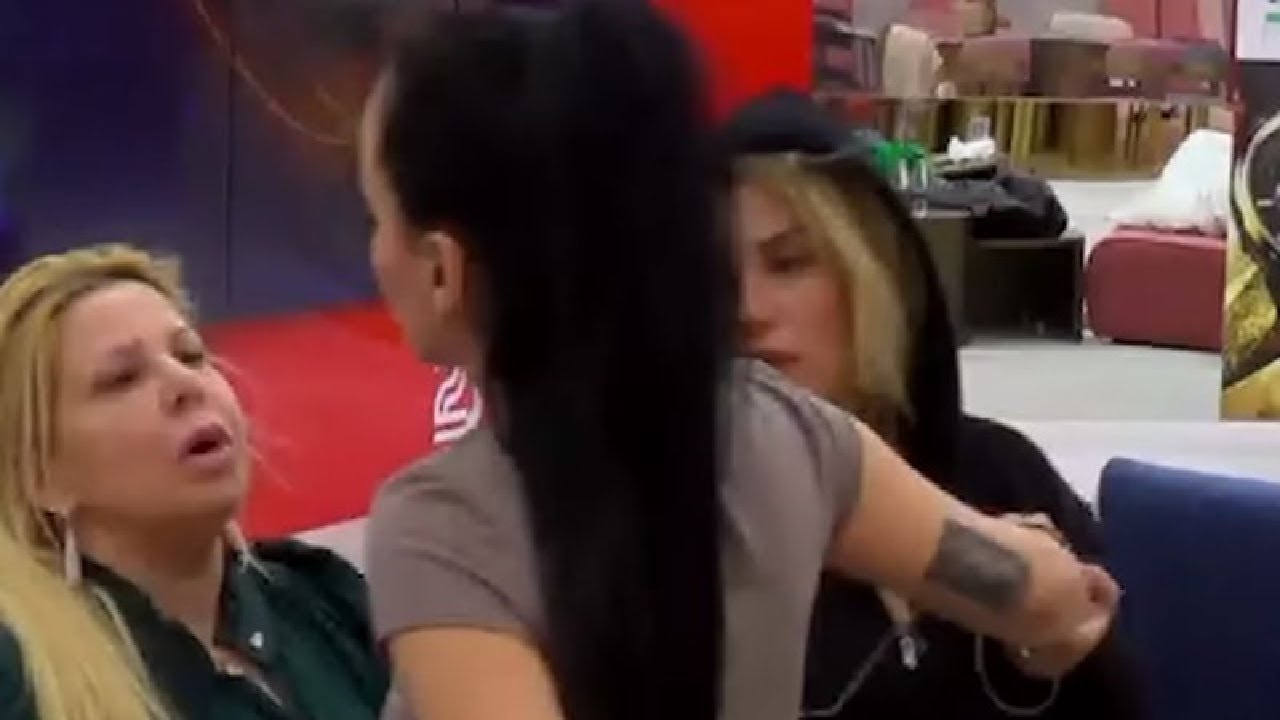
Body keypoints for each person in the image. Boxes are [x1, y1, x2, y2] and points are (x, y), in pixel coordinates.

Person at [359, 4, 1118, 720]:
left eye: (377, 216)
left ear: (441, 271)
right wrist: (1050, 588)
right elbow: (1032, 591)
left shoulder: (443, 528)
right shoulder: (786, 433)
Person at [722, 89, 1144, 719]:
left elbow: (1118, 695)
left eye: (790, 264)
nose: (748, 310)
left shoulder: (998, 474)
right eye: (716, 277)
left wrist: (1054, 647)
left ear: (873, 275)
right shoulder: (687, 512)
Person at [0, 244, 388, 720]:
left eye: (190, 355)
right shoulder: (24, 681)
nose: (186, 385)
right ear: (41, 475)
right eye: (122, 378)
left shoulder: (327, 601)